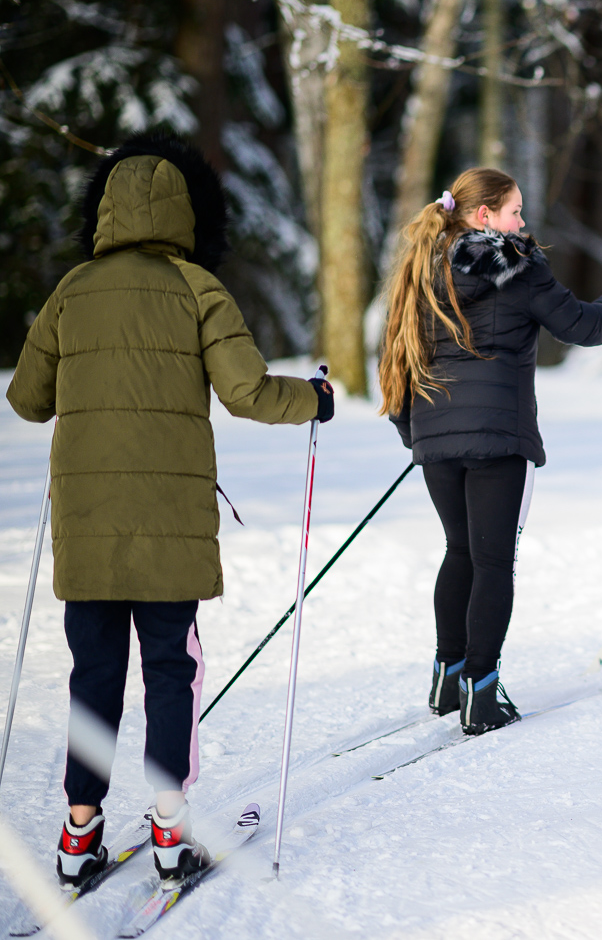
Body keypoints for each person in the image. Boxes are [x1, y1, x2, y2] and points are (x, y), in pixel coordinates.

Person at [5, 133, 334, 887]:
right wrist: (313, 398)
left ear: (105, 209)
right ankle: (167, 830)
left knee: (93, 675)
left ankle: (77, 832)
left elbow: (26, 398)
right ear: (187, 210)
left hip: (86, 526)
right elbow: (247, 392)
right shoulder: (196, 288)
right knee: (169, 673)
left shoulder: (72, 290)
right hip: (172, 529)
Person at [379, 168, 602, 736]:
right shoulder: (514, 266)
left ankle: (449, 679)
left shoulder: (422, 267)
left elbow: (394, 354)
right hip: (497, 440)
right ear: (483, 216)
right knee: (492, 562)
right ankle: (482, 692)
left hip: (435, 439)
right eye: (514, 211)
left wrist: (415, 433)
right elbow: (582, 326)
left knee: (460, 552)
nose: (523, 222)